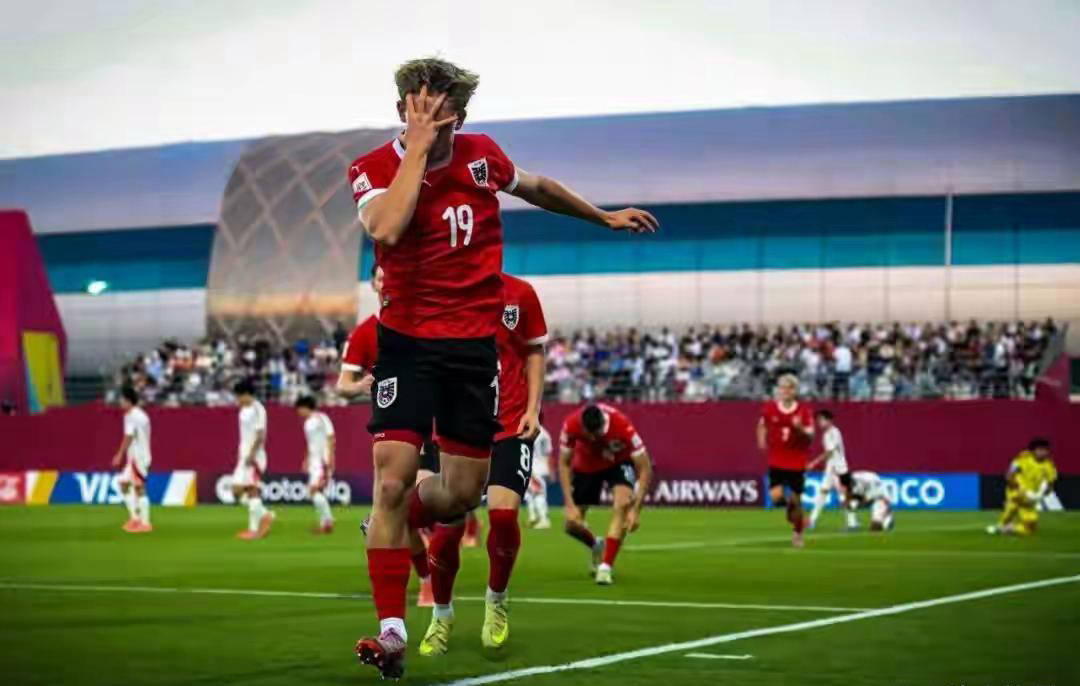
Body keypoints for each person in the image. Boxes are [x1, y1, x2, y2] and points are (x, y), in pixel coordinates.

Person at [348, 57, 657, 679]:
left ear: (458, 116)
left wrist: (601, 216)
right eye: (414, 104)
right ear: (402, 108)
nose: (423, 114)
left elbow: (536, 187)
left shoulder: (483, 156)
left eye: (437, 107)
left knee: (460, 496)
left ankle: (401, 518)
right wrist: (417, 150)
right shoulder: (372, 167)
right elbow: (386, 225)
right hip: (406, 343)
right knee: (391, 480)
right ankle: (392, 632)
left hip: (472, 351)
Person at [420, 272, 548, 655]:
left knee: (504, 516)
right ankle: (441, 615)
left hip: (510, 422)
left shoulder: (520, 293)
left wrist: (533, 409)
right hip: (457, 426)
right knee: (449, 527)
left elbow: (534, 352)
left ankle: (497, 600)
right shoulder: (443, 292)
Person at [341, 265, 435, 608]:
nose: (386, 282)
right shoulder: (366, 332)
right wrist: (361, 385)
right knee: (399, 503)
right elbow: (343, 385)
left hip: (436, 420)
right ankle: (426, 581)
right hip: (395, 425)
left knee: (439, 500)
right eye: (380, 277)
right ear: (373, 284)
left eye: (389, 275)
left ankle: (435, 557)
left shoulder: (426, 319)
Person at [558, 403, 653, 586]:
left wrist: (636, 510)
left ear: (604, 423)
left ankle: (605, 567)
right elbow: (564, 463)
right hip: (587, 464)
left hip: (618, 462)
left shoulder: (622, 426)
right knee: (571, 525)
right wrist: (569, 504)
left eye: (597, 434)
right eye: (589, 435)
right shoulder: (571, 425)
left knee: (623, 505)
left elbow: (645, 468)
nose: (594, 438)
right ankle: (596, 544)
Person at [757, 374, 814, 548]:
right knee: (776, 496)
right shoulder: (770, 408)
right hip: (777, 460)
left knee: (796, 501)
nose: (785, 391)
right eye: (782, 388)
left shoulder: (803, 411)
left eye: (789, 388)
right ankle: (794, 511)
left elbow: (811, 436)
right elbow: (761, 424)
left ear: (795, 391)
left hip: (796, 461)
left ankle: (797, 534)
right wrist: (761, 440)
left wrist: (800, 428)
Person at [987, 438, 1058, 536]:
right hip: (1016, 490)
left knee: (1030, 529)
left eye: (1045, 450)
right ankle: (1002, 524)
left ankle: (1007, 529)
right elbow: (1009, 474)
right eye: (1040, 450)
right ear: (1033, 450)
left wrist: (1041, 495)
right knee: (1013, 504)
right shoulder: (1023, 458)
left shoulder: (1049, 465)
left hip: (1032, 497)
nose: (1043, 452)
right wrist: (1016, 486)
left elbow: (1050, 484)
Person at [232, 380, 274, 540]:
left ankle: (253, 530)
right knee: (236, 490)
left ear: (246, 394)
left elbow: (260, 435)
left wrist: (252, 454)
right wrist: (242, 454)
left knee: (252, 490)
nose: (237, 400)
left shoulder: (258, 408)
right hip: (244, 455)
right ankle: (265, 514)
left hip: (254, 456)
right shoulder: (242, 410)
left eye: (238, 396)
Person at [111, 386, 152, 533]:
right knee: (123, 483)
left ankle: (145, 523)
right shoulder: (135, 415)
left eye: (122, 400)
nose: (120, 403)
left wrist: (119, 454)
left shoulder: (133, 416)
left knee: (139, 488)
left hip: (139, 457)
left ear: (128, 401)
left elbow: (129, 436)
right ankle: (135, 519)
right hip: (134, 457)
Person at [807, 409, 855, 530]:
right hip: (831, 468)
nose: (819, 422)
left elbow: (830, 452)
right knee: (823, 492)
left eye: (821, 420)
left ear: (829, 420)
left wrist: (814, 463)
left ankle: (852, 522)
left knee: (843, 495)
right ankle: (812, 520)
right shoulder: (826, 434)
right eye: (818, 420)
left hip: (839, 468)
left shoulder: (834, 432)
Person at [296, 395, 336, 534]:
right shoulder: (307, 423)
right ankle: (325, 522)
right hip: (314, 462)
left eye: (299, 409)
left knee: (313, 490)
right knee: (315, 492)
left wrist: (330, 457)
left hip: (322, 461)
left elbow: (331, 437)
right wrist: (306, 460)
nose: (298, 412)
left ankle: (327, 521)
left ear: (305, 407)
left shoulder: (321, 418)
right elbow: (310, 443)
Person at [526, 423, 554, 529]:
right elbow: (548, 454)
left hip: (533, 467)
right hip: (542, 467)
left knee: (537, 493)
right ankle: (534, 517)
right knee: (531, 493)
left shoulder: (531, 431)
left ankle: (544, 520)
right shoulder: (545, 434)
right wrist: (550, 471)